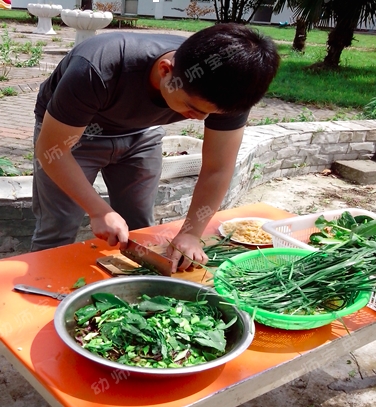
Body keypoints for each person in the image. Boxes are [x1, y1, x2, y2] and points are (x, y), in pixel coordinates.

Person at [31, 23, 280, 272]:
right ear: (165, 71)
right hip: (71, 137)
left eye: (211, 113)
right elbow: (52, 151)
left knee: (138, 227)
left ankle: (132, 291)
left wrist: (192, 234)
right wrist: (98, 210)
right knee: (58, 226)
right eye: (192, 108)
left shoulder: (230, 91)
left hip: (141, 134)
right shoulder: (97, 66)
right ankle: (38, 287)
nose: (202, 119)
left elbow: (218, 167)